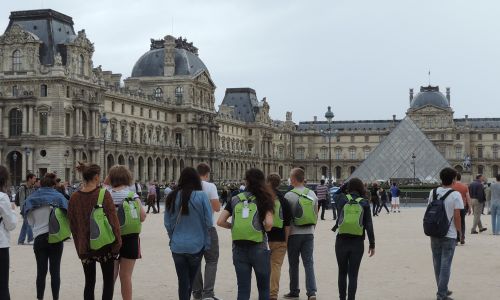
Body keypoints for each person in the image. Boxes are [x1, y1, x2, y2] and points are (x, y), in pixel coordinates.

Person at [217, 168, 274, 300]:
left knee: (243, 289)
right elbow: (269, 223)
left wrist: (234, 226)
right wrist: (264, 228)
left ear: (246, 181)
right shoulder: (265, 199)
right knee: (264, 288)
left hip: (238, 247)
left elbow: (220, 221)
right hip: (259, 246)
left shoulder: (236, 199)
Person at [68, 162, 122, 300]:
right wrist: (117, 243)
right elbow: (113, 222)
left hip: (85, 247)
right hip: (104, 246)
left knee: (89, 282)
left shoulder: (74, 197)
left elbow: (73, 225)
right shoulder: (103, 194)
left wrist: (79, 246)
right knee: (108, 282)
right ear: (96, 177)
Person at [165, 167, 212, 300]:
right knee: (190, 281)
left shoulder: (172, 196)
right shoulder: (202, 196)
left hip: (177, 245)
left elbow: (167, 223)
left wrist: (172, 237)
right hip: (196, 245)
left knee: (182, 280)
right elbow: (209, 222)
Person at [23, 173, 68, 300]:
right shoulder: (59, 198)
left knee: (41, 272)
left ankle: (40, 298)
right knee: (55, 272)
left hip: (39, 239)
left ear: (40, 184)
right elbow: (67, 216)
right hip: (56, 238)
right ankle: (55, 298)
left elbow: (30, 222)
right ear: (53, 185)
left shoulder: (32, 198)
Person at [107, 165, 147, 300]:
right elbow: (142, 217)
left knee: (110, 276)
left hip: (111, 238)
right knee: (126, 276)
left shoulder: (106, 195)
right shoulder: (132, 195)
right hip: (131, 239)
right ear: (127, 178)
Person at [333, 177, 375, 300]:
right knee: (353, 275)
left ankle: (342, 298)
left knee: (342, 272)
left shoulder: (341, 199)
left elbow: (336, 193)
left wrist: (345, 185)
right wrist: (372, 244)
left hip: (341, 240)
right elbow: (369, 225)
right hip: (357, 242)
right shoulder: (364, 202)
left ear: (348, 187)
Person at [427, 167, 463, 300]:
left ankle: (442, 289)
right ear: (454, 179)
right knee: (446, 264)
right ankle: (441, 294)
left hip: (434, 232)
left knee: (437, 263)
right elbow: (457, 216)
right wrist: (460, 232)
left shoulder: (433, 192)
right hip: (449, 234)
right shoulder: (455, 194)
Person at [283, 168, 318, 300]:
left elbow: (286, 219)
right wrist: (312, 230)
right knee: (309, 263)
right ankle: (311, 292)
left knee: (293, 263)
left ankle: (294, 290)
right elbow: (315, 215)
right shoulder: (312, 194)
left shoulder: (288, 195)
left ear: (292, 179)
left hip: (293, 233)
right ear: (303, 178)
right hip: (309, 233)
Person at [192, 163, 221, 300]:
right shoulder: (210, 186)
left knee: (195, 261)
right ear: (207, 174)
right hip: (208, 227)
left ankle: (197, 293)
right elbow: (217, 207)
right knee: (211, 260)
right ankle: (208, 293)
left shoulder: (188, 187)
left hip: (192, 228)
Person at [266, 173, 292, 300]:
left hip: (263, 238)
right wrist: (285, 241)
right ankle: (273, 294)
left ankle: (264, 291)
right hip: (280, 237)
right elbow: (287, 224)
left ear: (268, 182)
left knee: (263, 267)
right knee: (276, 266)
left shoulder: (262, 199)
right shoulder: (284, 200)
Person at [0, 165, 17, 300]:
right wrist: (12, 210)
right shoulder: (2, 197)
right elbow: (11, 225)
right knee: (2, 286)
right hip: (1, 244)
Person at [16, 173, 36, 245]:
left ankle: (20, 240)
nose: (35, 180)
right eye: (34, 178)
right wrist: (22, 210)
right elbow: (21, 200)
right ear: (29, 179)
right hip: (25, 208)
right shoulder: (22, 188)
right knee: (28, 223)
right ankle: (30, 239)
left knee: (25, 224)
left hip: (31, 208)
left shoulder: (33, 188)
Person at [451, 173, 471, 244]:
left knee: (454, 222)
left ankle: (456, 238)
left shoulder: (452, 186)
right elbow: (468, 197)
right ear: (460, 178)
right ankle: (462, 237)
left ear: (455, 178)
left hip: (454, 207)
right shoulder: (465, 186)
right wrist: (469, 207)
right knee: (462, 222)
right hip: (463, 206)